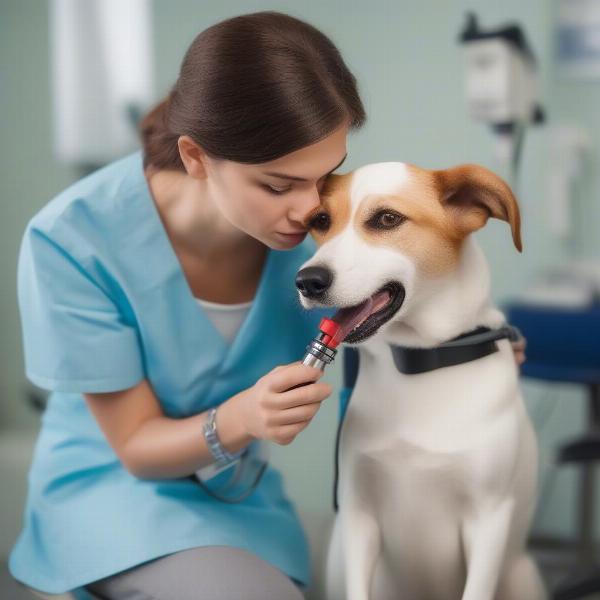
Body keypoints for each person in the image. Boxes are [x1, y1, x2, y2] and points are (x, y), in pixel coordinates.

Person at [9, 10, 527, 600]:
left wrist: (480, 342)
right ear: (197, 157)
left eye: (325, 176)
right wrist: (243, 420)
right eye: (279, 186)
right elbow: (135, 447)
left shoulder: (321, 239)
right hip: (111, 492)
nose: (310, 211)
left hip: (241, 498)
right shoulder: (72, 239)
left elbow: (405, 293)